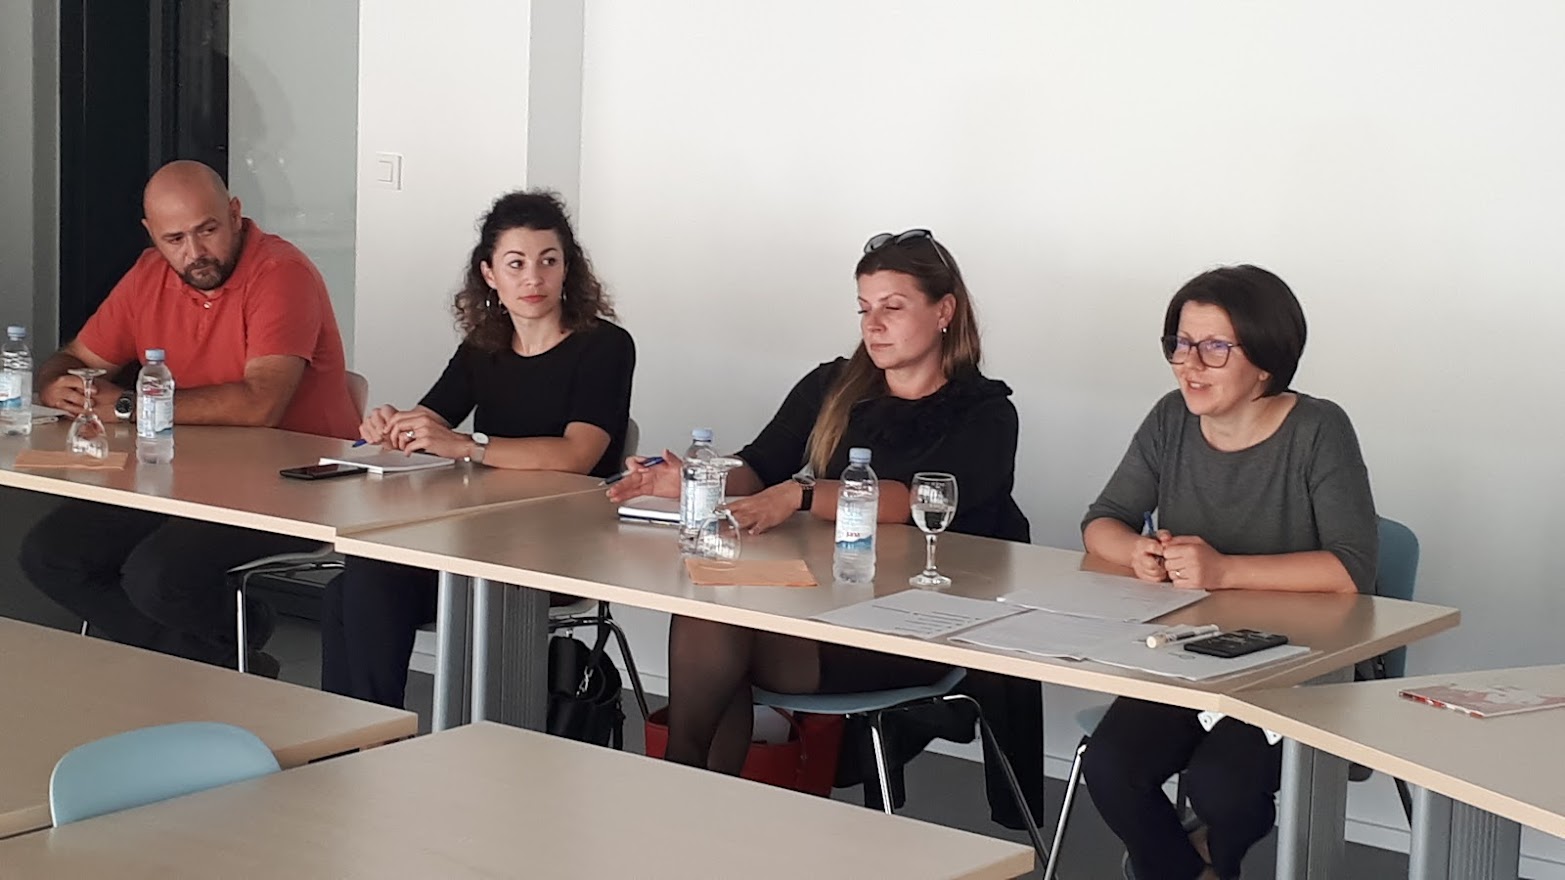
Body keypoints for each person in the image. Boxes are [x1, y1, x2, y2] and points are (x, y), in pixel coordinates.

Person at [607, 229, 1038, 809]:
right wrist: (694, 478)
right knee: (710, 611)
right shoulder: (833, 385)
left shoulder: (987, 414)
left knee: (720, 632)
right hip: (826, 602)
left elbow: (918, 501)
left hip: (921, 622)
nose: (873, 325)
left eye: (892, 307)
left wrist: (802, 494)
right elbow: (759, 467)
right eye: (864, 309)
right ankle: (689, 801)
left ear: (944, 312)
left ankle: (683, 806)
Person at [1079, 265, 1378, 880]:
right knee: (1112, 766)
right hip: (1189, 652)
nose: (1190, 364)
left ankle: (1207, 855)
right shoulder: (1171, 419)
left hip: (1298, 665)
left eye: (1215, 347)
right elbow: (1101, 521)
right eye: (1181, 344)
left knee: (1222, 786)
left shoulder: (1319, 429)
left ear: (1265, 360)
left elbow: (1350, 570)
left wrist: (1222, 569)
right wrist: (1135, 550)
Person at [20, 160, 358, 676]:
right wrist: (54, 383)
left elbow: (261, 402)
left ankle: (220, 658)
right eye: (174, 239)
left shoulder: (280, 273)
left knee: (158, 577)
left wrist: (129, 406)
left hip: (296, 484)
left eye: (208, 230)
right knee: (51, 555)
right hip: (186, 476)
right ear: (151, 234)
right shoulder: (149, 274)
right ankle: (223, 658)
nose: (195, 252)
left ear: (236, 214)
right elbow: (77, 358)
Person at [321, 190, 634, 708]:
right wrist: (394, 426)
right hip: (482, 533)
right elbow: (432, 421)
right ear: (490, 274)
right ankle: (363, 736)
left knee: (366, 589)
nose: (533, 278)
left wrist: (469, 446)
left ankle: (375, 734)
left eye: (548, 261)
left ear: (567, 269)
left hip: (562, 542)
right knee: (360, 580)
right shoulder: (483, 346)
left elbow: (576, 455)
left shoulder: (605, 346)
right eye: (516, 264)